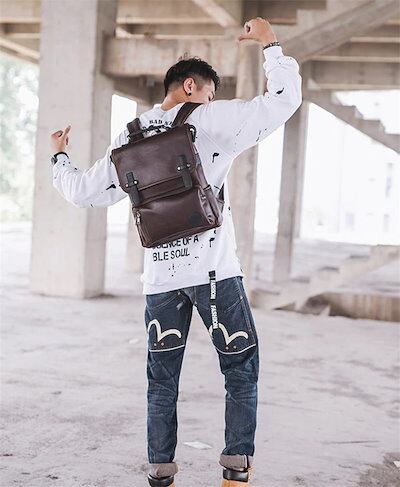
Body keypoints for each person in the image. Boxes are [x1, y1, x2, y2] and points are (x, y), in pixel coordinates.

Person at [50, 17, 302, 487]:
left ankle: (160, 470)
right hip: (214, 274)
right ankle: (235, 468)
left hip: (160, 281)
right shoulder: (209, 120)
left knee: (161, 380)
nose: (210, 100)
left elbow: (83, 192)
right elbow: (282, 101)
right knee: (240, 366)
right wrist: (271, 45)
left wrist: (59, 157)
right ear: (191, 86)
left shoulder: (129, 137)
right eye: (209, 93)